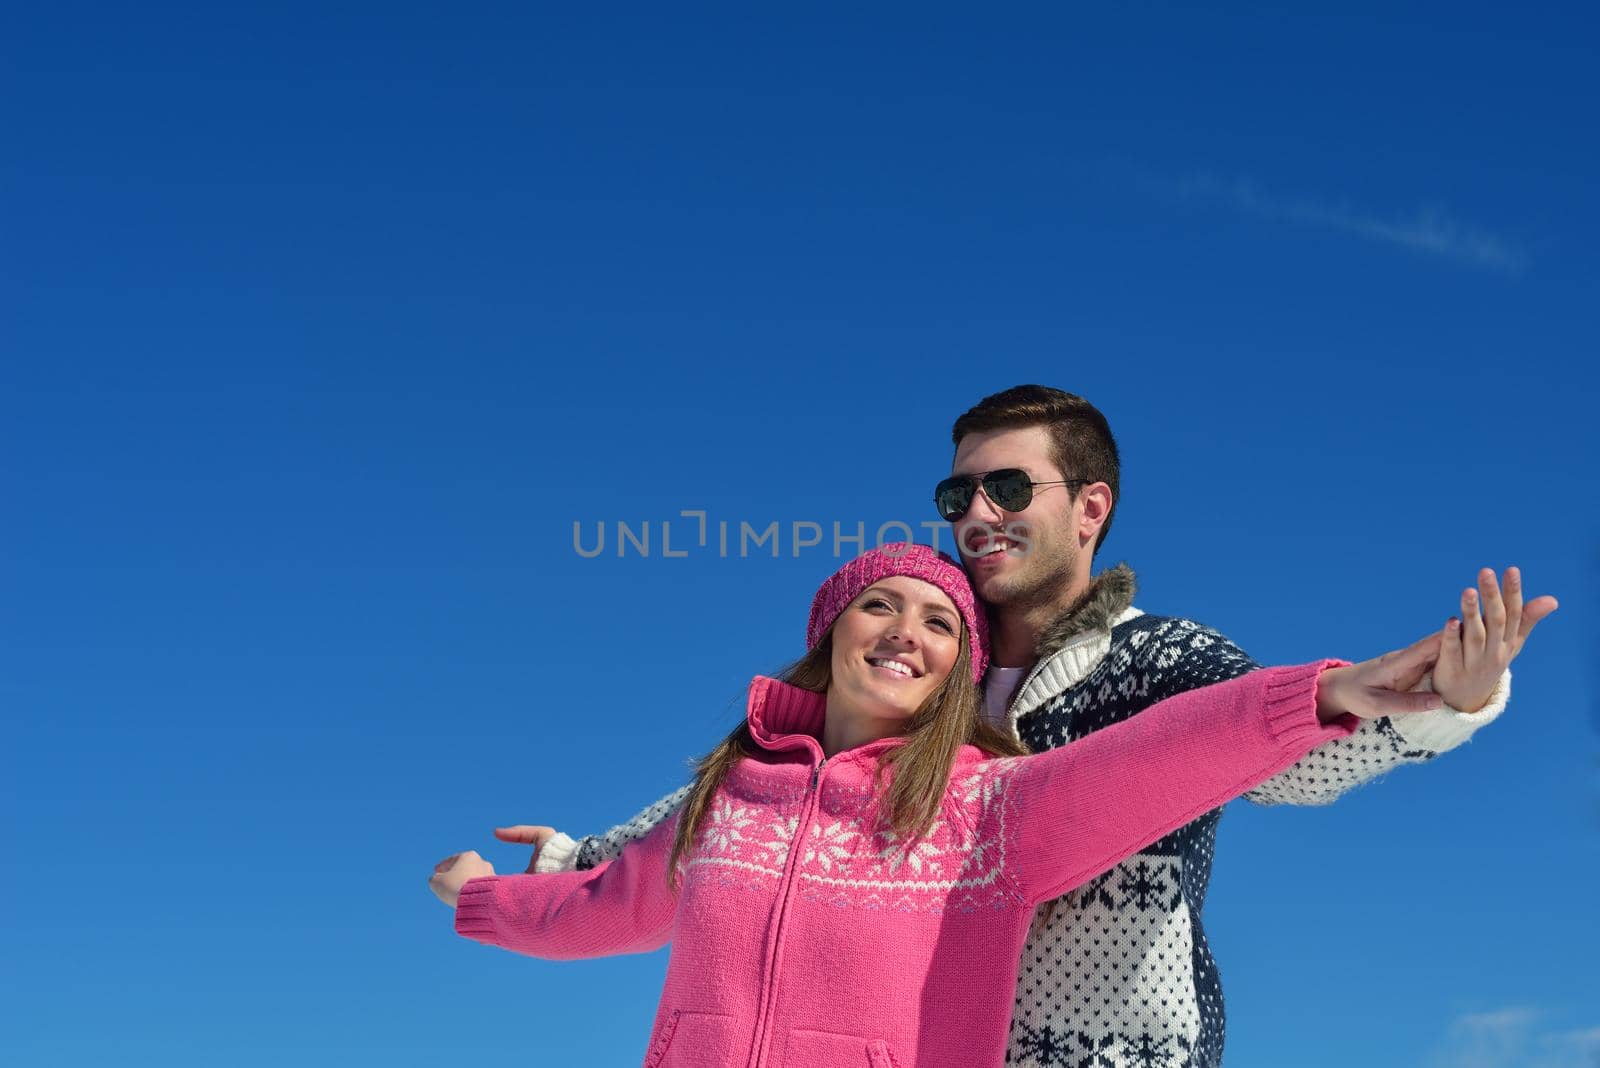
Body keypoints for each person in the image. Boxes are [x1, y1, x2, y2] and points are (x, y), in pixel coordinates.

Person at [508, 386, 1557, 1068]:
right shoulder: (920, 676)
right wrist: (572, 857)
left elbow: (1282, 759)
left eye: (1007, 485)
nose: (975, 512)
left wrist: (1439, 704)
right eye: (957, 489)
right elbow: (770, 803)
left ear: (1090, 507)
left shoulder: (1161, 662)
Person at [431, 543, 1487, 1068]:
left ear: (955, 673)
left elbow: (1164, 755)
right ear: (830, 636)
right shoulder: (728, 798)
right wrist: (482, 901)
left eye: (939, 622)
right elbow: (603, 904)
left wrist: (1324, 694)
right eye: (877, 605)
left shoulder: (987, 813)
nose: (903, 630)